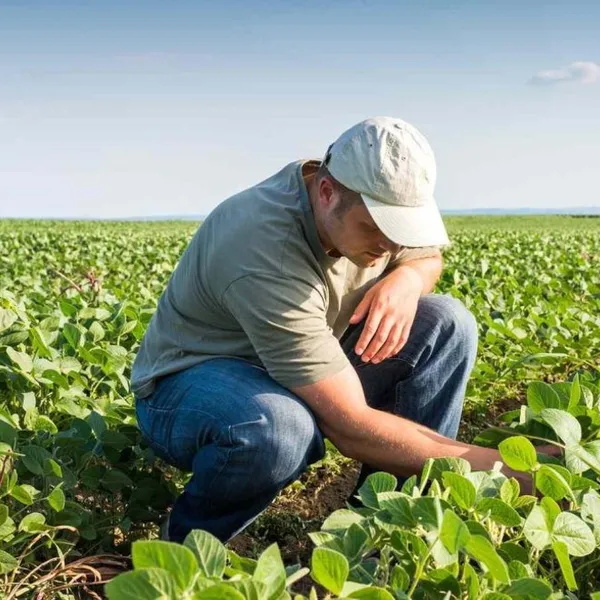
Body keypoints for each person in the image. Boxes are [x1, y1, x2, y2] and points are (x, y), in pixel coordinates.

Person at [131, 116, 557, 544]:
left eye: (400, 231)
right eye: (376, 229)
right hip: (193, 384)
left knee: (447, 323)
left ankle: (385, 529)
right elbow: (351, 426)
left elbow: (427, 258)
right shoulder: (263, 248)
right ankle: (185, 545)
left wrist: (406, 280)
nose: (389, 247)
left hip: (302, 362)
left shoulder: (368, 196)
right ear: (327, 192)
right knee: (279, 428)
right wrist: (509, 471)